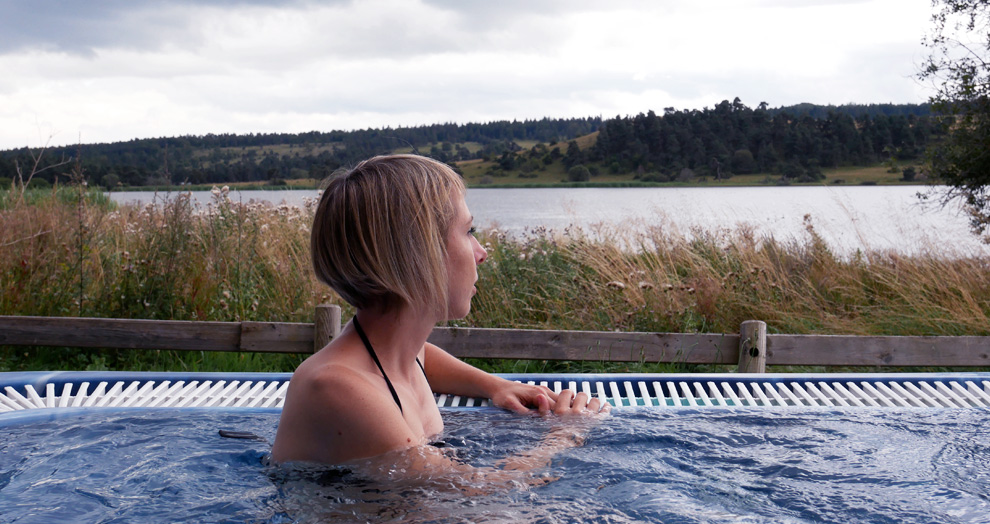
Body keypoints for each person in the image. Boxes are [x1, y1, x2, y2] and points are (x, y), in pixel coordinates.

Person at [270, 154, 608, 481]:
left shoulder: (395, 352)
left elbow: (424, 357)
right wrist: (564, 434)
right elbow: (476, 494)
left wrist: (496, 386)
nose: (482, 253)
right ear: (418, 254)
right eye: (468, 232)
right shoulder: (337, 388)